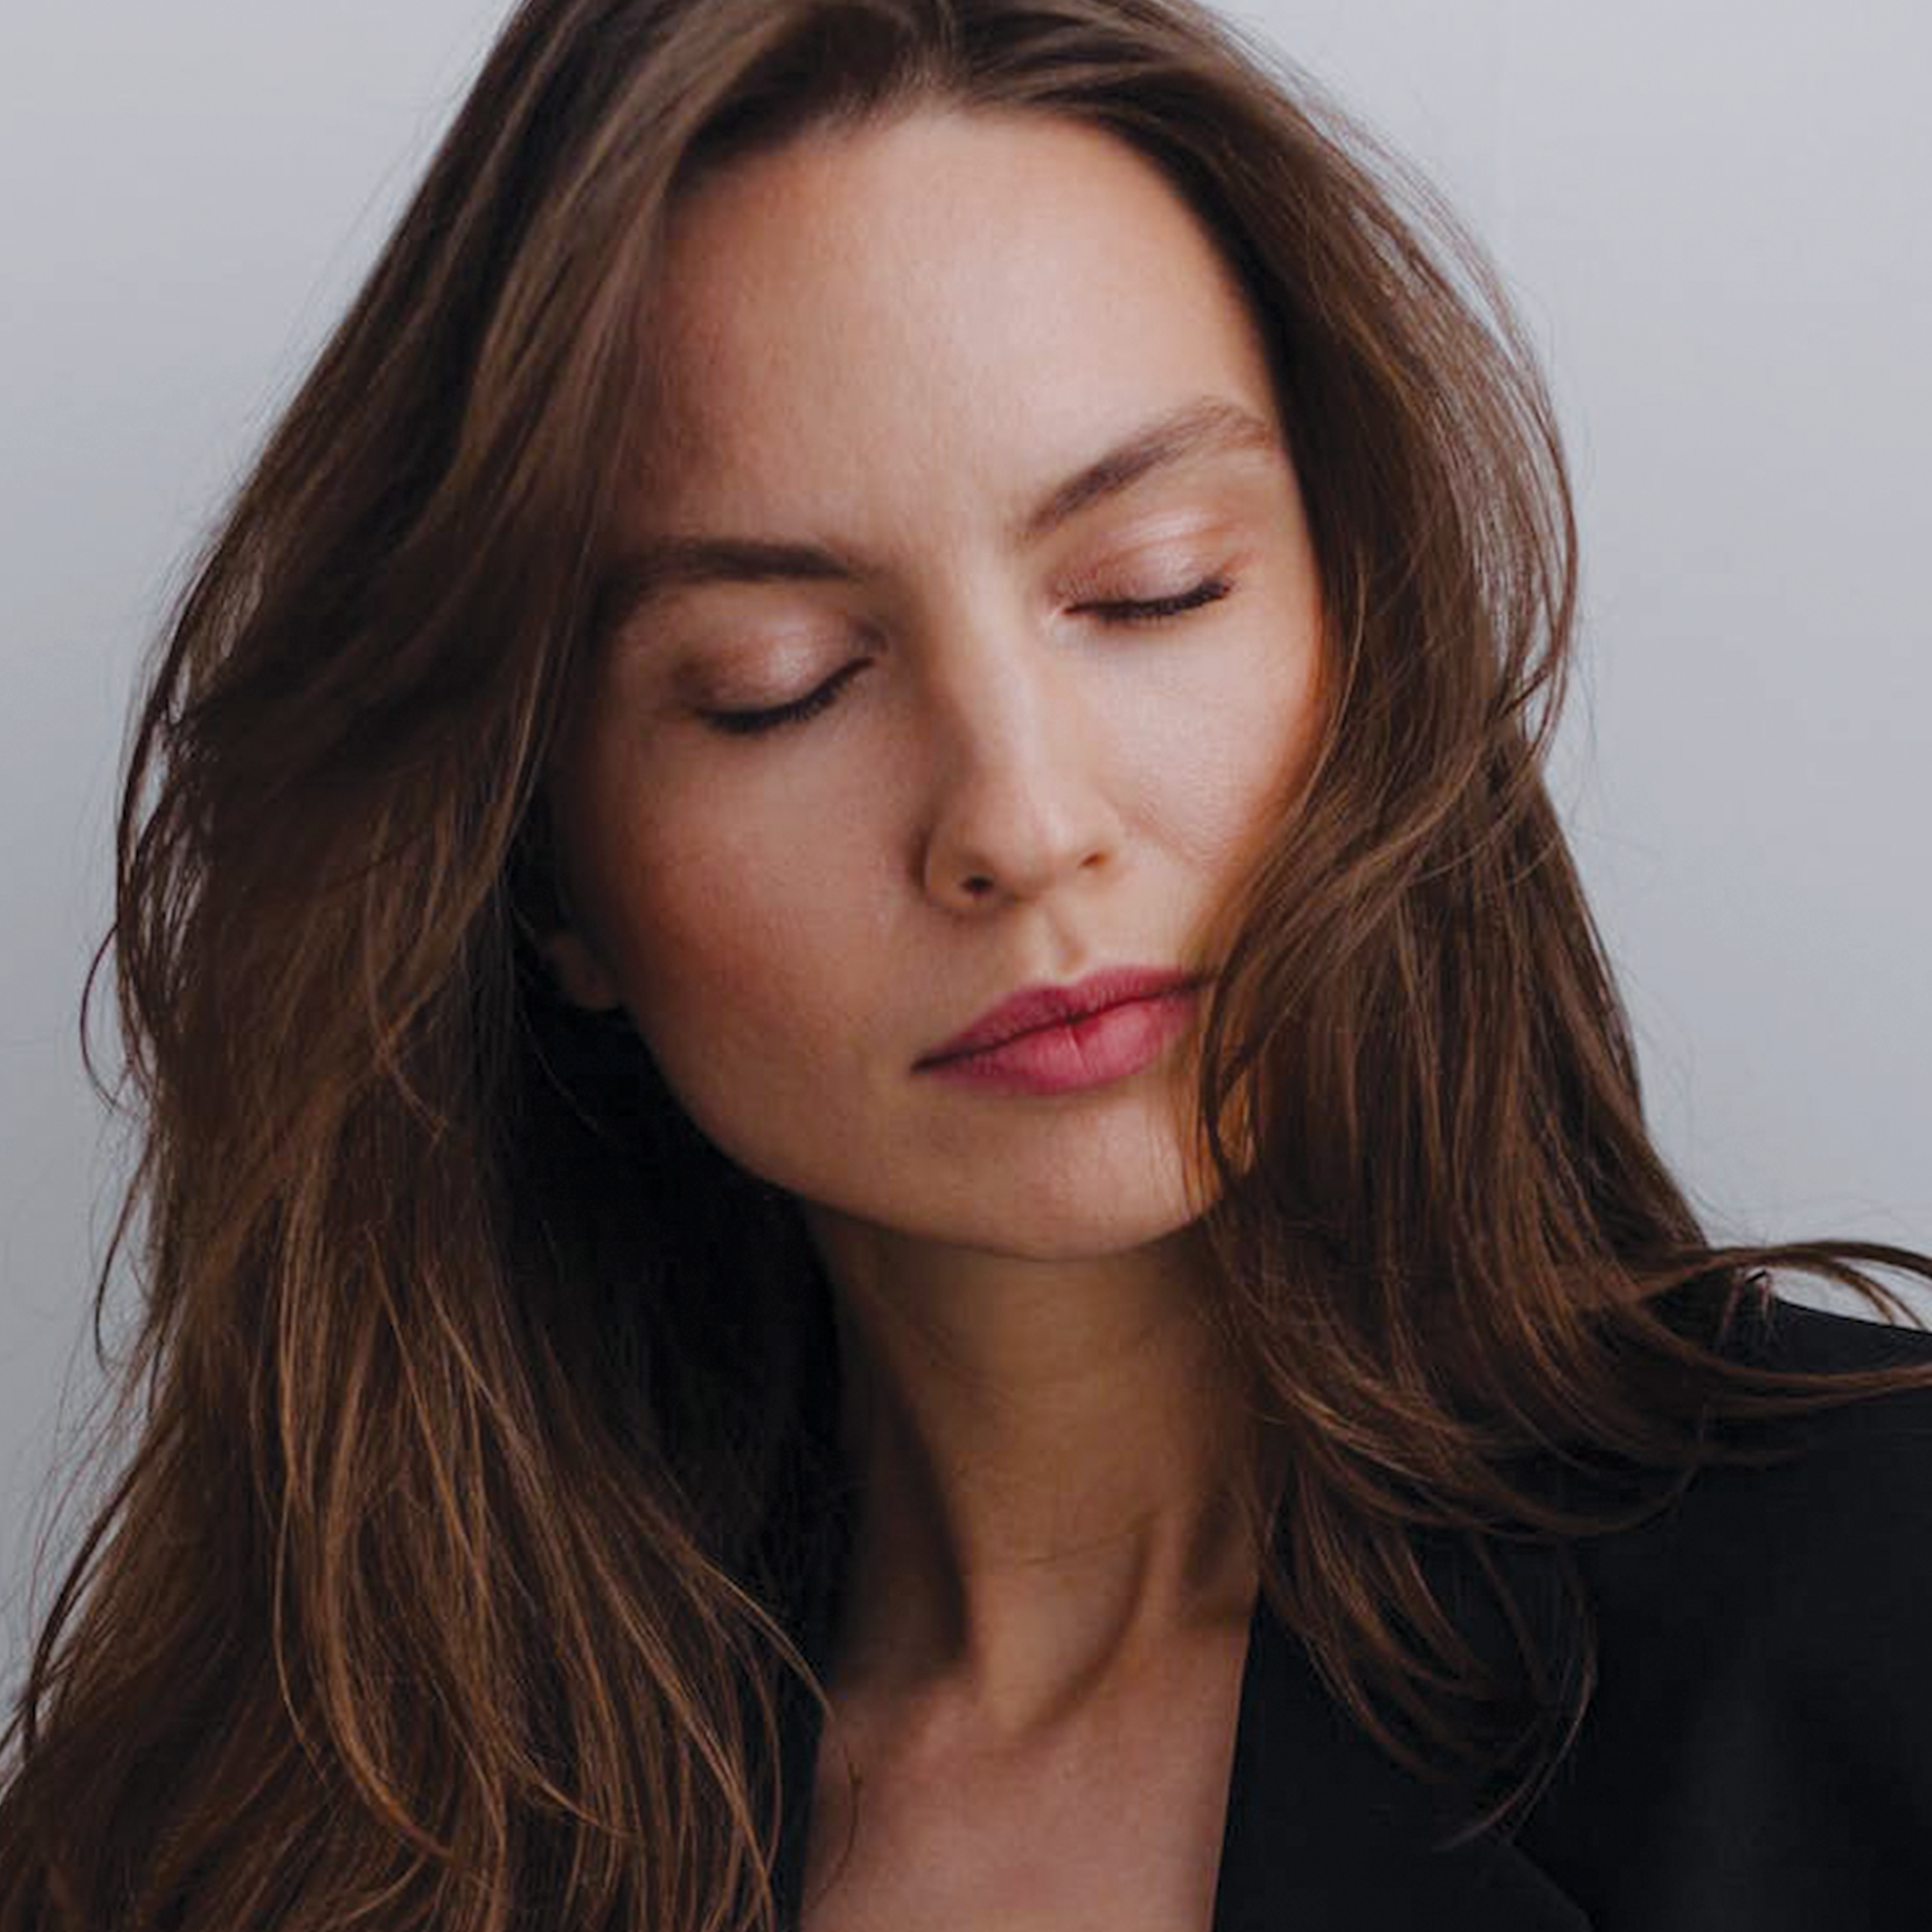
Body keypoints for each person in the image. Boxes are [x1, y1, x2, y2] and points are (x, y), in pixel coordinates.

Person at [4, 0, 1930, 1927]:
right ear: (541, 880)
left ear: (1369, 634)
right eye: (779, 688)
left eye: (1152, 587)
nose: (1019, 817)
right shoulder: (246, 1843)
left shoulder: (1873, 1613)